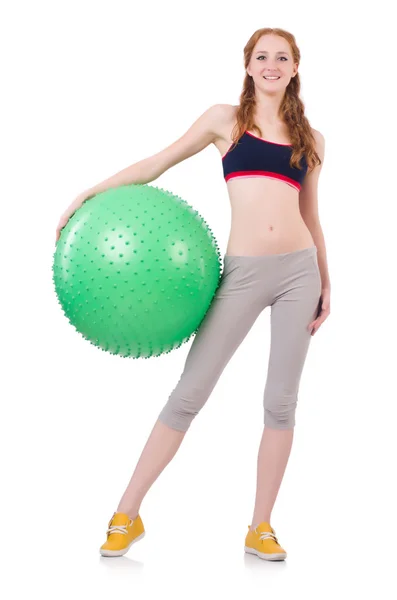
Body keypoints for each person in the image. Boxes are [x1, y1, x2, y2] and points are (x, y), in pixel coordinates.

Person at [56, 27, 331, 561]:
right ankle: (126, 515)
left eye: (282, 57)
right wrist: (89, 193)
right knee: (189, 393)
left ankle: (261, 527)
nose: (271, 65)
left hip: (300, 273)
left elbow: (311, 216)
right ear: (248, 66)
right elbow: (154, 164)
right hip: (244, 273)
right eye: (261, 56)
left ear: (295, 68)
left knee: (281, 402)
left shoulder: (312, 139)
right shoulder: (224, 120)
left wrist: (326, 278)